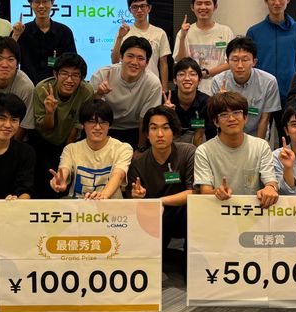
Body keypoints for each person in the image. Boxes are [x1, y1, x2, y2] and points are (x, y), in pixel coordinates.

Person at [193, 92, 279, 208]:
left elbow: (270, 181)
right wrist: (217, 192)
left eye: (237, 112)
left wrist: (270, 188)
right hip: (219, 211)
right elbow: (205, 192)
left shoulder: (261, 146)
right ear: (216, 122)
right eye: (224, 114)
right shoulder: (204, 151)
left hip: (253, 212)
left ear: (245, 118)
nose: (231, 118)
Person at [246, 0, 296, 142]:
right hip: (260, 94)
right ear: (265, 0)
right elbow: (250, 63)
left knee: (286, 137)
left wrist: (295, 90)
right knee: (257, 137)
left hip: (288, 94)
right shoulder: (254, 31)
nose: (277, 2)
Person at [128, 106, 195, 248]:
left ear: (174, 132)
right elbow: (135, 201)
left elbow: (193, 192)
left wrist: (160, 201)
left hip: (183, 213)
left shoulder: (187, 152)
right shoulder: (138, 163)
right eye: (153, 128)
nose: (159, 134)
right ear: (147, 134)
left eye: (165, 128)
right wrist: (137, 196)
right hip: (154, 216)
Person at [31, 52, 94, 198]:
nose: (69, 80)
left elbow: (77, 126)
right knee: (44, 187)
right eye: (64, 74)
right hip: (43, 141)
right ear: (55, 74)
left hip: (70, 141)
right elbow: (44, 129)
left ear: (82, 78)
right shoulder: (42, 89)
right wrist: (49, 112)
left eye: (76, 75)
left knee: (66, 183)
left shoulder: (86, 92)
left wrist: (66, 156)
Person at [49, 99, 133, 199]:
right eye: (92, 122)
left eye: (103, 122)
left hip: (111, 206)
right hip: (78, 206)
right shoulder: (71, 149)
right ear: (82, 124)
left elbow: (118, 175)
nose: (97, 127)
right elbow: (64, 169)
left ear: (109, 125)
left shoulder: (123, 148)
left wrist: (103, 196)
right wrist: (60, 180)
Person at [90, 36, 161, 149]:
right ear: (121, 57)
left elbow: (145, 119)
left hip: (135, 130)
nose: (134, 62)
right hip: (106, 128)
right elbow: (91, 113)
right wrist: (99, 94)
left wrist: (140, 148)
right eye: (130, 56)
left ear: (147, 63)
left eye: (140, 58)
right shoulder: (102, 75)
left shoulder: (153, 83)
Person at [210, 36, 280, 140]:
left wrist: (259, 146)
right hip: (228, 137)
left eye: (245, 60)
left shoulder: (269, 82)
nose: (240, 65)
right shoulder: (218, 81)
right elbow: (218, 120)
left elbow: (264, 119)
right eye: (235, 60)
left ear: (254, 62)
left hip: (255, 135)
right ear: (227, 61)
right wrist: (221, 102)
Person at [173, 0, 235, 94]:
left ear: (215, 6)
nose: (203, 7)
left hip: (219, 88)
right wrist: (183, 37)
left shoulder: (226, 31)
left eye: (207, 3)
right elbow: (180, 63)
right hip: (192, 90)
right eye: (199, 4)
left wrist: (206, 73)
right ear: (192, 7)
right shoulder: (184, 32)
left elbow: (231, 62)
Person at [13, 0, 77, 85]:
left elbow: (72, 63)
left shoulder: (64, 32)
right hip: (27, 86)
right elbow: (9, 57)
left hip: (57, 87)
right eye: (36, 2)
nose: (41, 6)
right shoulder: (21, 31)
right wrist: (15, 35)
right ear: (30, 4)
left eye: (45, 1)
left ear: (52, 2)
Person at [110, 0, 171, 90]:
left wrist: (164, 89)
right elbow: (114, 61)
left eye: (142, 6)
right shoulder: (123, 32)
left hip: (152, 86)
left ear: (149, 8)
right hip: (128, 85)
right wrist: (120, 37)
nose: (139, 10)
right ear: (130, 10)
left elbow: (163, 64)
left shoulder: (160, 33)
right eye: (135, 7)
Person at [165, 57, 215, 145]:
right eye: (182, 74)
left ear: (199, 80)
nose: (187, 78)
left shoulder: (206, 102)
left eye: (192, 74)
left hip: (196, 139)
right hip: (171, 139)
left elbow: (202, 134)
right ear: (175, 80)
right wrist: (165, 113)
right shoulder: (166, 99)